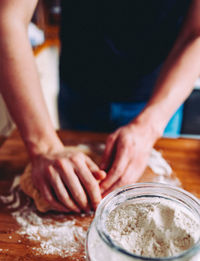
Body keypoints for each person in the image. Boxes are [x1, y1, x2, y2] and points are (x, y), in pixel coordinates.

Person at [0, 0, 200, 213]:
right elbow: (8, 17)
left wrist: (150, 126)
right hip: (79, 88)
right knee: (66, 182)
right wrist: (45, 147)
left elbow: (197, 32)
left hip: (161, 95)